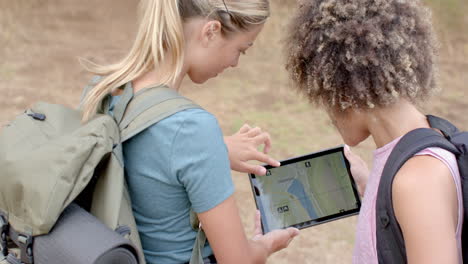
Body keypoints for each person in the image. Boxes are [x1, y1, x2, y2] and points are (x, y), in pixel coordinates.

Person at [80, 0, 299, 263]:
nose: (235, 63)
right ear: (210, 31)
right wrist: (265, 245)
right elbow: (237, 259)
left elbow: (139, 156)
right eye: (241, 49)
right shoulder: (192, 129)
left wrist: (216, 151)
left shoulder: (100, 90)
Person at [285, 0, 462, 263]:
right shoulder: (407, 159)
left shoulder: (417, 181)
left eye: (323, 93)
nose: (327, 111)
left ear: (343, 85)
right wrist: (372, 187)